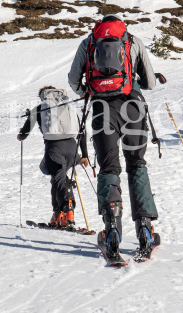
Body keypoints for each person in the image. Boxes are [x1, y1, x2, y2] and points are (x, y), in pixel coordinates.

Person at [68, 15, 160, 260]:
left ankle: (112, 233)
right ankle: (145, 230)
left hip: (101, 110)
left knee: (109, 167)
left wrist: (89, 91)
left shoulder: (89, 43)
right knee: (137, 165)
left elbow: (73, 80)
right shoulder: (132, 41)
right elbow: (149, 82)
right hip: (134, 108)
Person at [18, 86, 85, 229]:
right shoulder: (67, 106)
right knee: (60, 177)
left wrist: (20, 135)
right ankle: (58, 215)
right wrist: (84, 155)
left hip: (54, 149)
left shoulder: (40, 108)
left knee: (52, 174)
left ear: (42, 96)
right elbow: (81, 130)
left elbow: (24, 134)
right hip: (73, 148)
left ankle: (66, 212)